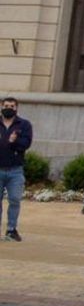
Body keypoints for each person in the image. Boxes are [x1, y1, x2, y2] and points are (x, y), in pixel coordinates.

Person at [0, 97, 33, 242]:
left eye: (12, 106)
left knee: (14, 200)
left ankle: (11, 230)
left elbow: (26, 143)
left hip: (15, 170)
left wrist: (14, 142)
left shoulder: (24, 125)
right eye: (6, 105)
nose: (9, 108)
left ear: (16, 108)